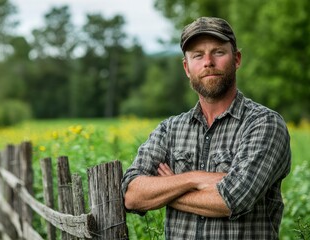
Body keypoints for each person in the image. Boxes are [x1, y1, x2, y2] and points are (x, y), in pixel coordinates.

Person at [121, 16, 291, 239]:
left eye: (218, 52)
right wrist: (195, 179)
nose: (208, 62)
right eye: (197, 55)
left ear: (237, 59)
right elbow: (132, 195)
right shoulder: (169, 130)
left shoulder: (264, 124)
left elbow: (233, 199)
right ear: (187, 67)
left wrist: (168, 188)